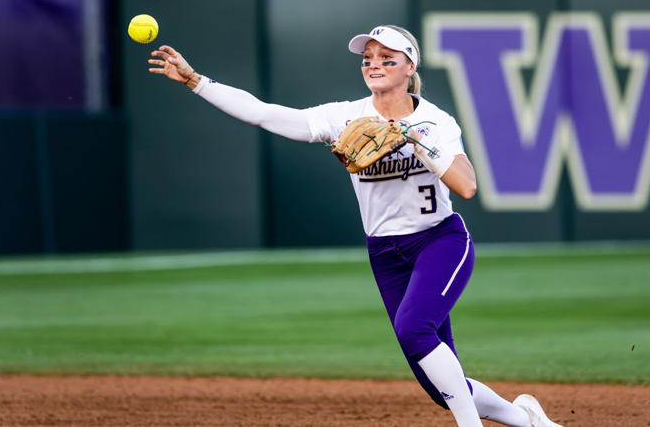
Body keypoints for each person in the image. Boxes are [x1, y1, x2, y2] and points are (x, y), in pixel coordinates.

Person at [147, 25, 561, 427]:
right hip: (385, 253)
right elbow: (265, 115)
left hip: (439, 240)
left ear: (409, 68)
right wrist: (196, 81)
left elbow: (466, 187)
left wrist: (414, 139)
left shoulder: (436, 122)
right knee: (438, 385)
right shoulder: (346, 117)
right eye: (368, 59)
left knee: (415, 330)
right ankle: (526, 419)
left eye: (386, 58)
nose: (374, 64)